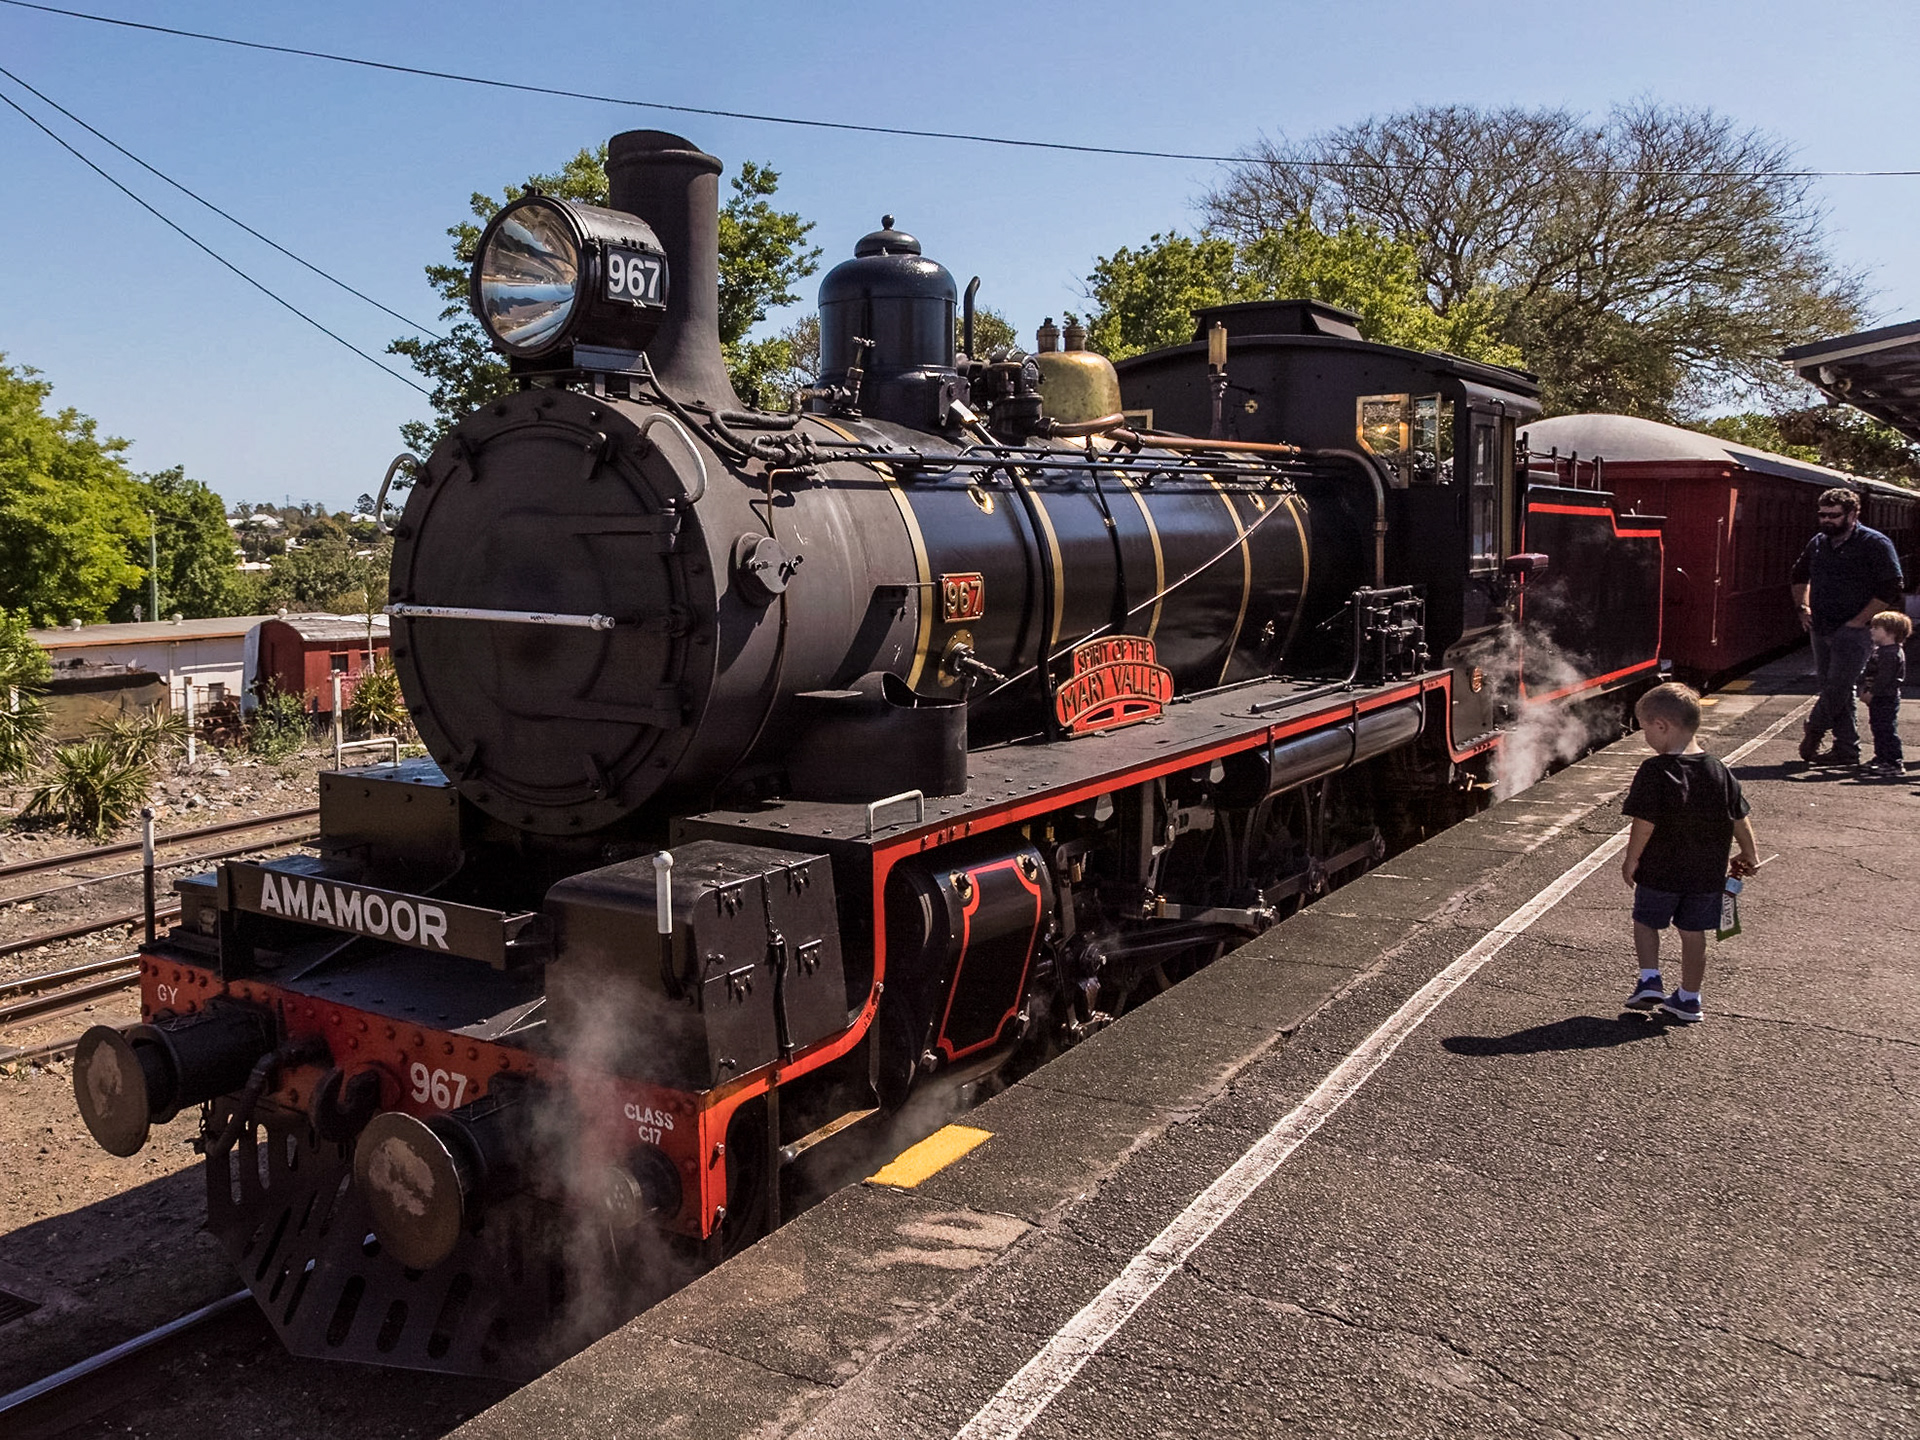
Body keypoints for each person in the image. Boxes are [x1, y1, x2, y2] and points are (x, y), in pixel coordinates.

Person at [1620, 682, 1760, 1024]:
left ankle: (1650, 979)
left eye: (1644, 730)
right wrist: (1749, 852)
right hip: (1706, 874)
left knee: (1646, 922)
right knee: (1693, 934)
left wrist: (1632, 858)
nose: (1646, 739)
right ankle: (1689, 998)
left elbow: (1645, 822)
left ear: (1661, 726)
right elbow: (1739, 817)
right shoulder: (1720, 770)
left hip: (1660, 870)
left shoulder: (1654, 770)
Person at [1792, 487, 1906, 767]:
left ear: (1853, 514)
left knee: (1838, 686)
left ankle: (1814, 728)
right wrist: (1803, 608)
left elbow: (1892, 586)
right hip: (1822, 626)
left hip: (1855, 631)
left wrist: (1858, 621)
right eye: (1823, 515)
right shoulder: (1818, 543)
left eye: (1834, 515)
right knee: (1834, 688)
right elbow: (1798, 573)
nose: (1826, 520)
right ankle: (1846, 750)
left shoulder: (1874, 543)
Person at [1858, 609, 1910, 777]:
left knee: (1886, 729)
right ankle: (1881, 758)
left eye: (1876, 628)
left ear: (1890, 632)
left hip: (1885, 697)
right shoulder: (1881, 650)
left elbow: (1884, 678)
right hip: (1879, 696)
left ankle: (1894, 762)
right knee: (1878, 728)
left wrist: (1871, 692)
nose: (1871, 630)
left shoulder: (1891, 654)